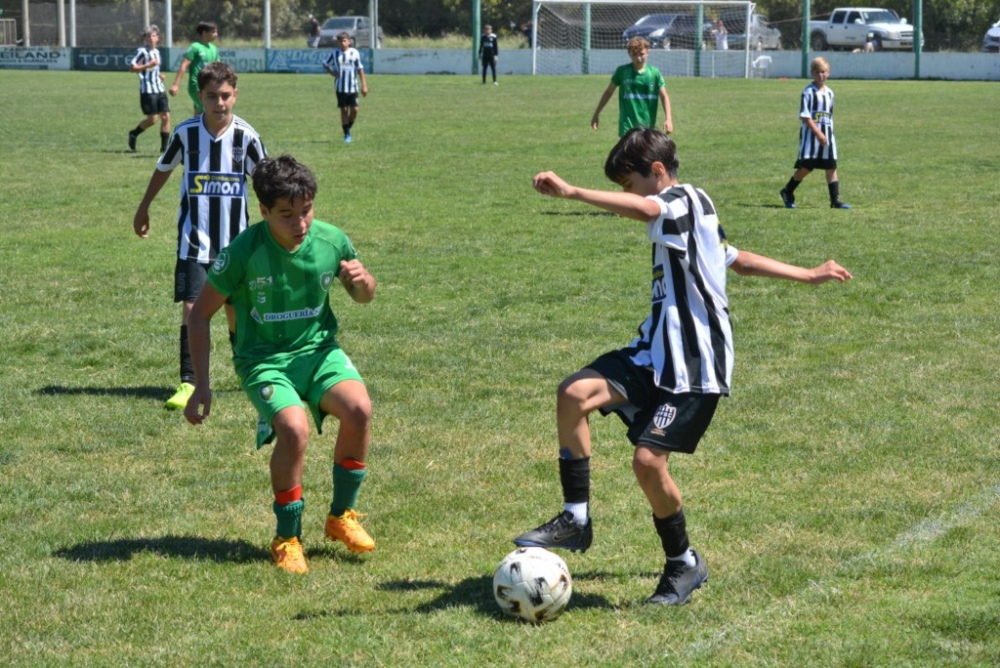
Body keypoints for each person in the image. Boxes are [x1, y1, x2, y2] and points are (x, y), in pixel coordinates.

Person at [514, 128, 853, 605]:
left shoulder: (684, 198)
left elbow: (648, 208)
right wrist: (808, 273)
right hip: (655, 353)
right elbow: (736, 259)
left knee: (648, 463)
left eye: (628, 184)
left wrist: (572, 192)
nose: (627, 195)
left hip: (696, 364)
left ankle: (683, 564)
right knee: (573, 393)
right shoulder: (695, 216)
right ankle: (576, 517)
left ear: (657, 172)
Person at [183, 155, 378, 575]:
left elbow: (364, 296)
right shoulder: (242, 252)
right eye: (286, 214)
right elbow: (199, 315)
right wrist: (201, 384)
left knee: (360, 409)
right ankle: (287, 538)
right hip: (264, 361)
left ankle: (341, 517)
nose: (300, 223)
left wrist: (363, 285)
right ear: (264, 211)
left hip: (319, 351)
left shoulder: (332, 241)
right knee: (294, 428)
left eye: (306, 210)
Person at [133, 62, 267, 410]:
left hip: (236, 247)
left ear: (235, 96)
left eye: (225, 96)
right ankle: (188, 383)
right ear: (200, 96)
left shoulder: (247, 136)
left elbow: (266, 184)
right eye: (211, 96)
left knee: (236, 312)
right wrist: (144, 207)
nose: (219, 103)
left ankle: (246, 371)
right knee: (194, 311)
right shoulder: (185, 133)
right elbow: (164, 168)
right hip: (194, 242)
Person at [780, 57, 851, 210]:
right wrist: (818, 133)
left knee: (831, 166)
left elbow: (829, 116)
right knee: (807, 166)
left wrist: (828, 134)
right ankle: (787, 191)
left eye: (823, 72)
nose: (821, 75)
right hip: (812, 136)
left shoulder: (830, 93)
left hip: (827, 136)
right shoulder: (808, 92)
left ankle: (835, 200)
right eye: (817, 72)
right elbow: (805, 116)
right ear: (812, 73)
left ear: (828, 73)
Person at [591, 37, 673, 137]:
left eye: (641, 54)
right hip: (627, 127)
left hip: (648, 128)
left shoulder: (654, 73)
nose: (638, 58)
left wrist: (668, 119)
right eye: (634, 54)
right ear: (629, 54)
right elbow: (608, 92)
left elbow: (664, 96)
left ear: (648, 52)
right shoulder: (622, 72)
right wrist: (597, 113)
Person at [127, 25, 170, 154]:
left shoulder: (157, 52)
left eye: (153, 35)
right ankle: (133, 134)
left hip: (159, 88)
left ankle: (164, 149)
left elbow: (153, 70)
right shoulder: (142, 52)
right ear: (144, 38)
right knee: (152, 120)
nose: (151, 38)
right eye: (148, 36)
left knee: (166, 117)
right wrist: (148, 65)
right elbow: (132, 68)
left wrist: (159, 75)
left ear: (157, 38)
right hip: (148, 90)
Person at [323, 32, 369, 143]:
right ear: (338, 43)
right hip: (340, 87)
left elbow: (360, 69)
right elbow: (325, 64)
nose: (342, 43)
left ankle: (347, 128)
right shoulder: (334, 54)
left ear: (349, 41)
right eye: (340, 41)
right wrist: (332, 73)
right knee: (343, 110)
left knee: (355, 109)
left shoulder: (355, 53)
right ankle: (347, 135)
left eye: (344, 41)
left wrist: (364, 85)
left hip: (353, 86)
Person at [169, 20, 220, 116]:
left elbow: (218, 67)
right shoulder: (195, 47)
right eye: (213, 32)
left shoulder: (214, 48)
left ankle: (194, 130)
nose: (216, 34)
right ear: (204, 33)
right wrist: (176, 84)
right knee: (208, 110)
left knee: (199, 112)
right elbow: (184, 65)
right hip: (196, 84)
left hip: (209, 84)